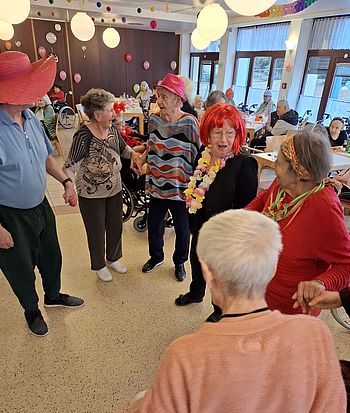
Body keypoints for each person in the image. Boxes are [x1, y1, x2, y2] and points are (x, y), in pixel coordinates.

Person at [120, 209, 350, 413]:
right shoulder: (314, 336)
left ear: (207, 272)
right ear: (273, 266)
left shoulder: (185, 355)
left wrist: (139, 411)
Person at [0, 51, 84, 337]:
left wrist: (66, 181)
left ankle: (53, 295)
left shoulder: (30, 118)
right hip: (10, 215)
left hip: (41, 206)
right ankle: (32, 310)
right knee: (20, 268)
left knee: (51, 256)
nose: (37, 92)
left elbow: (46, 157)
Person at [246, 129, 350, 316]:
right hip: (255, 290)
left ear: (301, 173)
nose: (274, 166)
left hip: (288, 310)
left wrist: (319, 283)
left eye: (279, 163)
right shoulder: (282, 184)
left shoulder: (324, 210)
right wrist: (239, 220)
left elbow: (347, 265)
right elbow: (263, 199)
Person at [175, 103, 258, 318]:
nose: (223, 140)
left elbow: (247, 210)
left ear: (238, 134)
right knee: (196, 260)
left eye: (230, 133)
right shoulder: (204, 154)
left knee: (218, 277)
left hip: (224, 235)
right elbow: (196, 188)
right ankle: (195, 293)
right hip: (201, 225)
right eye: (218, 132)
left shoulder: (244, 164)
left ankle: (219, 310)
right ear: (207, 134)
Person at [64, 89, 138, 282]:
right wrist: (69, 187)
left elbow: (123, 149)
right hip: (91, 192)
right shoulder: (83, 136)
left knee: (115, 226)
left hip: (114, 188)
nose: (114, 113)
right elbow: (70, 164)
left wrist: (136, 155)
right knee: (96, 231)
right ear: (97, 115)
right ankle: (98, 265)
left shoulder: (112, 129)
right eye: (110, 110)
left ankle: (113, 258)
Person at [132, 74, 201, 281]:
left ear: (178, 100)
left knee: (182, 229)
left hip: (180, 188)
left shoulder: (190, 123)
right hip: (156, 184)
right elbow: (153, 145)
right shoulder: (153, 120)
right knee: (154, 225)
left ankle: (179, 262)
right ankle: (156, 256)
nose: (158, 101)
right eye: (158, 96)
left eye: (163, 97)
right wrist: (141, 158)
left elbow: (199, 153)